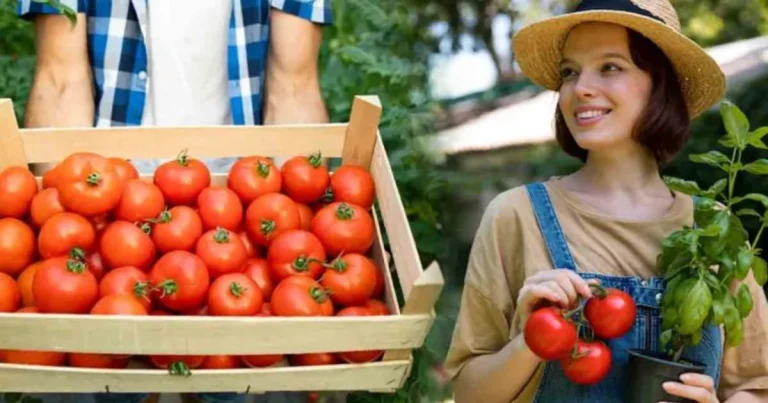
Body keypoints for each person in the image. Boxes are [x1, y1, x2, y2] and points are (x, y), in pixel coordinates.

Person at [444, 0, 768, 402]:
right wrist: (531, 341)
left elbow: (756, 387)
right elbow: (469, 395)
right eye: (569, 72)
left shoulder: (715, 229)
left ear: (661, 85)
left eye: (610, 67)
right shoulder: (516, 215)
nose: (580, 88)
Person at [16, 0, 332, 403]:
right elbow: (60, 79)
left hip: (238, 212)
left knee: (226, 384)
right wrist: (59, 226)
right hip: (110, 203)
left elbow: (294, 86)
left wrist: (302, 232)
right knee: (111, 377)